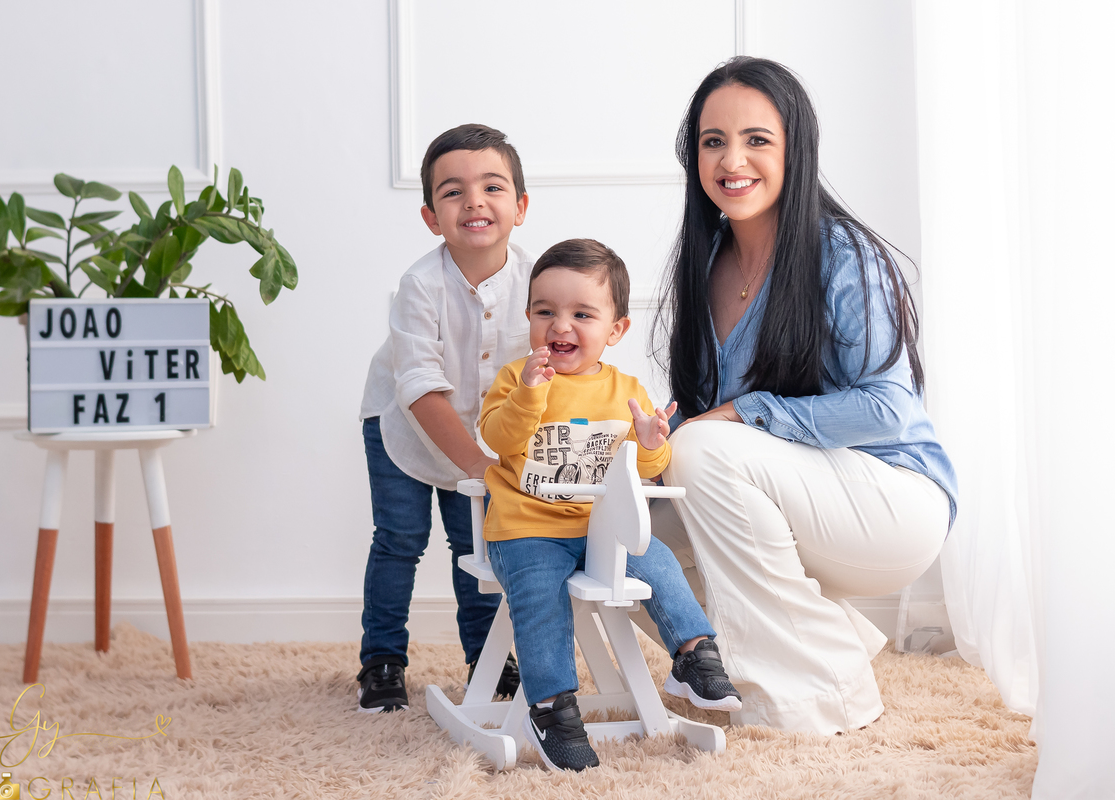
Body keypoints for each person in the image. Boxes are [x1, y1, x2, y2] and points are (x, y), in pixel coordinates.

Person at [644, 56, 959, 735]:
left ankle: (809, 699)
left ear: (795, 147)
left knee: (703, 448)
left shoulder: (843, 252)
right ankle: (830, 646)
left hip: (893, 501)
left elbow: (887, 408)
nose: (733, 159)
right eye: (713, 141)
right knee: (620, 527)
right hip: (793, 501)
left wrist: (745, 413)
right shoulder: (705, 263)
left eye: (757, 139)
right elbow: (706, 432)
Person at [480, 239, 742, 772]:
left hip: (600, 529)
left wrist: (650, 443)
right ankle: (553, 707)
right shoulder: (515, 379)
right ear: (528, 316)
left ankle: (694, 652)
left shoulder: (625, 389)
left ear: (615, 330)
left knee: (660, 560)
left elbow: (641, 474)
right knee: (539, 600)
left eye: (581, 314)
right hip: (526, 530)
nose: (560, 326)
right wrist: (530, 392)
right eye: (545, 312)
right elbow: (499, 441)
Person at [356, 124, 529, 712]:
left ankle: (486, 658)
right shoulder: (420, 285)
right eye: (453, 192)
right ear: (432, 217)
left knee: (474, 544)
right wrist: (480, 466)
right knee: (399, 541)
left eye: (492, 187)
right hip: (404, 429)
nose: (474, 201)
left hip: (486, 441)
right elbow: (420, 389)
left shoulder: (538, 285)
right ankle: (381, 660)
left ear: (520, 207)